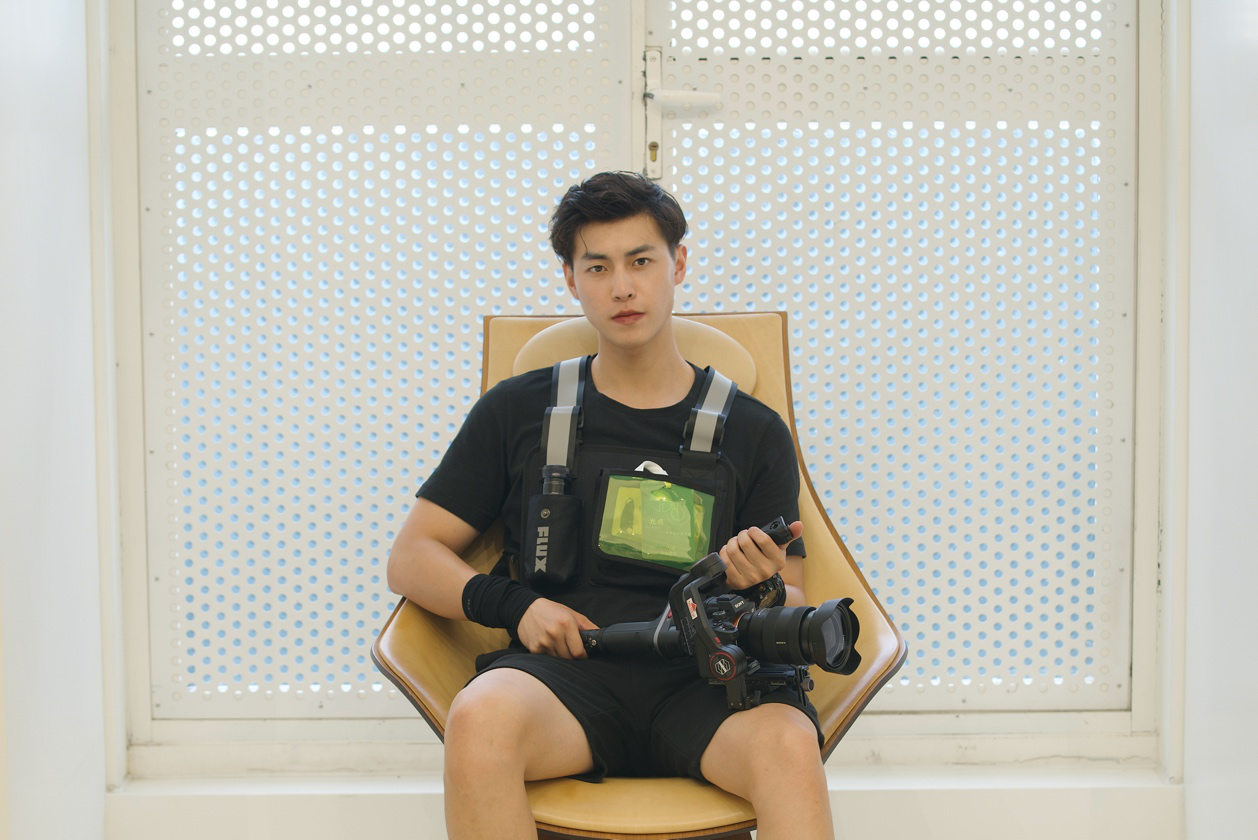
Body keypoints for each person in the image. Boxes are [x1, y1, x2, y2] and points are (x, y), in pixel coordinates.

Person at [386, 171, 835, 840]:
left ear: (678, 264)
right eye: (597, 267)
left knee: (790, 747)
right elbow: (411, 558)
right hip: (564, 681)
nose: (622, 287)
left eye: (641, 261)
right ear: (572, 280)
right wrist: (518, 607)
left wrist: (761, 585)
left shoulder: (755, 430)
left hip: (709, 685)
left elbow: (793, 596)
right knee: (479, 720)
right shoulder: (517, 411)